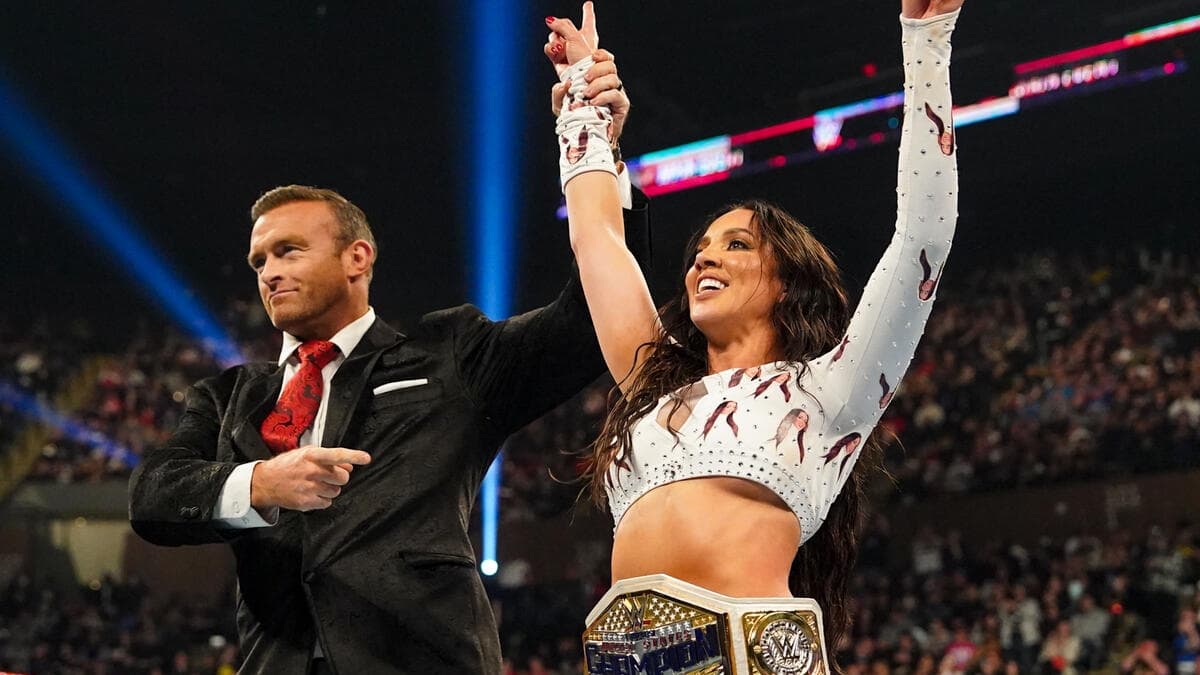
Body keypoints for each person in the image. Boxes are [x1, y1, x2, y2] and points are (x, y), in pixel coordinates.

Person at [127, 53, 646, 675]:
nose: (268, 272)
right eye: (259, 261)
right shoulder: (229, 397)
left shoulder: (451, 353)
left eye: (288, 250)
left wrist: (596, 153)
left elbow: (593, 317)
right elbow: (152, 497)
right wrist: (261, 484)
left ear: (357, 257)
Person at [546, 0, 963, 664]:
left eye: (736, 244)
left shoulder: (829, 391)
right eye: (701, 248)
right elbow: (597, 240)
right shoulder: (651, 388)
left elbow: (923, 238)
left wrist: (927, 37)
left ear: (787, 280)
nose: (704, 258)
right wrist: (582, 108)